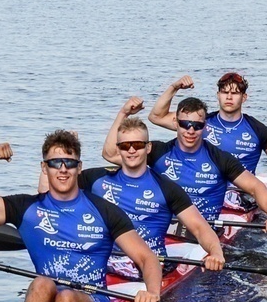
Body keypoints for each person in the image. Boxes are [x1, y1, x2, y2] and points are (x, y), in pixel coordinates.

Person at [0, 130, 162, 302]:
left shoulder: (105, 211)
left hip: (93, 299)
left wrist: (152, 293)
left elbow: (147, 258)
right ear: (44, 167)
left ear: (79, 168)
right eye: (55, 163)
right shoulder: (26, 208)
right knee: (40, 283)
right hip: (48, 292)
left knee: (67, 298)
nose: (62, 169)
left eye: (69, 163)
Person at [40, 118, 226, 280]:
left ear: (148, 147)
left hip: (145, 265)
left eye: (137, 145)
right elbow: (45, 196)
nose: (131, 150)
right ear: (118, 149)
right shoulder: (96, 179)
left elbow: (200, 228)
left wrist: (216, 253)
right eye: (124, 146)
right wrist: (60, 156)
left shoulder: (167, 188)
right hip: (103, 261)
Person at [102, 96, 267, 232]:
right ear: (176, 123)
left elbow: (256, 188)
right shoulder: (157, 151)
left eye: (197, 126)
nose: (190, 130)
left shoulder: (220, 159)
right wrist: (123, 113)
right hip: (164, 227)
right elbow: (110, 154)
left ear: (205, 126)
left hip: (201, 230)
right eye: (185, 124)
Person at [149, 73, 267, 204]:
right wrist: (174, 88)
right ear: (218, 95)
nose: (229, 96)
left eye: (235, 93)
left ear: (244, 98)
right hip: (202, 193)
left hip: (239, 195)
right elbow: (156, 117)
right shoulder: (198, 123)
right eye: (224, 92)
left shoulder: (257, 130)